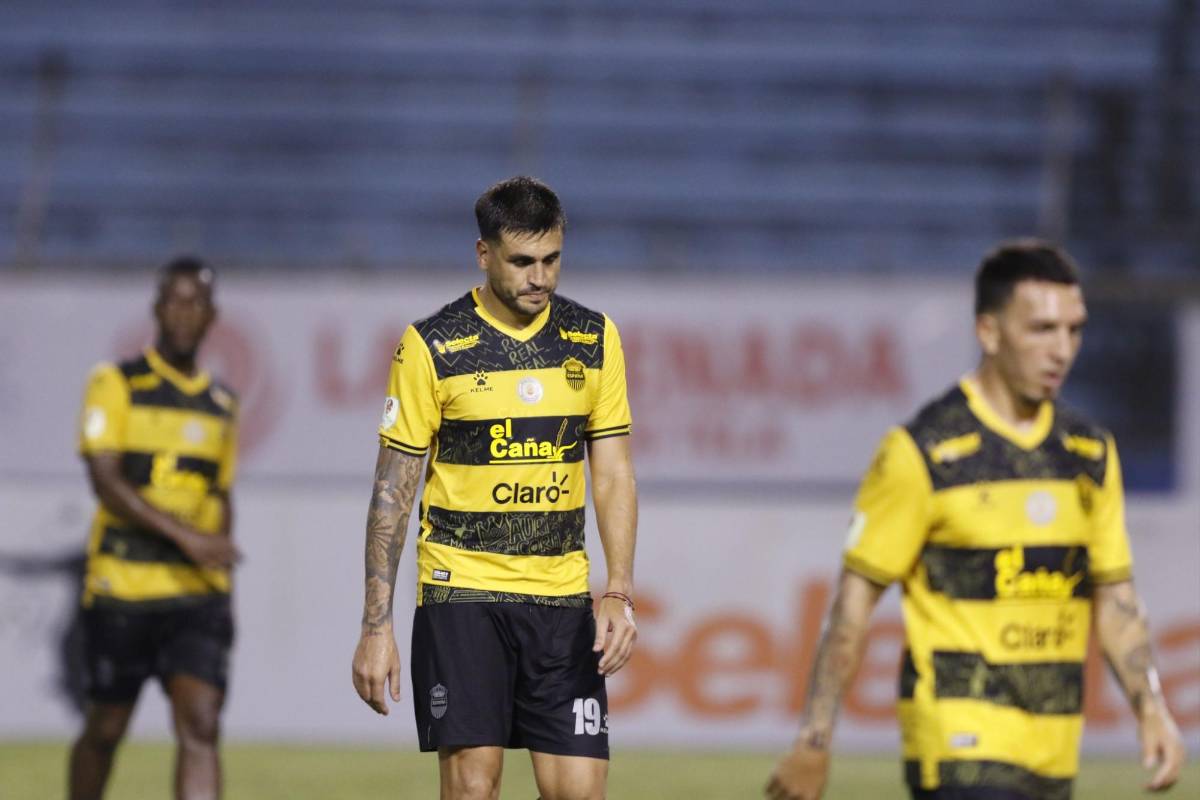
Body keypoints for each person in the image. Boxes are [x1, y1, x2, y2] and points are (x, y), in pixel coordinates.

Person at [766, 241, 1187, 800]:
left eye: (1074, 330)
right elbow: (853, 605)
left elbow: (1115, 598)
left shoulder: (1088, 453)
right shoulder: (924, 452)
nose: (1062, 349)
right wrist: (814, 741)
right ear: (988, 333)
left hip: (1053, 748)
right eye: (1041, 329)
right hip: (958, 745)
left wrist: (1152, 708)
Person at [351, 176, 639, 800]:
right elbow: (391, 494)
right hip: (462, 598)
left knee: (580, 793)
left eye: (552, 259)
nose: (541, 277)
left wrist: (617, 589)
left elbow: (613, 471)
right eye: (523, 261)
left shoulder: (593, 340)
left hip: (561, 601)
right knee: (473, 790)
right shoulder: (433, 346)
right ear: (484, 255)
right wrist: (377, 627)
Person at [69, 257, 240, 800]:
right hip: (124, 588)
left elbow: (220, 492)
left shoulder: (222, 403)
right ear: (157, 309)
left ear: (212, 315)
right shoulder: (116, 383)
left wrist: (221, 566)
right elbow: (105, 480)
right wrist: (188, 538)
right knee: (106, 727)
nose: (184, 314)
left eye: (196, 303)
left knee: (201, 725)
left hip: (196, 598)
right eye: (174, 301)